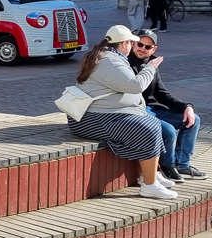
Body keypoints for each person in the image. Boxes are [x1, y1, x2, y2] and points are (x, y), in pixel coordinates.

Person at [68, 25, 174, 199]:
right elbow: (135, 85)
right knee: (147, 128)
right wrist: (151, 67)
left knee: (151, 124)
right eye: (133, 43)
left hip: (104, 116)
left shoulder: (111, 57)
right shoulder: (108, 61)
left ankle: (148, 176)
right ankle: (149, 185)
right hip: (91, 120)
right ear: (125, 43)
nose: (134, 47)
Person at [128, 29, 207, 181]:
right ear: (132, 43)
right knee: (168, 130)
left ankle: (182, 165)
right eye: (140, 44)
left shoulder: (151, 64)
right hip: (137, 110)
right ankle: (167, 166)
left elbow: (162, 94)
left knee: (193, 120)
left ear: (154, 49)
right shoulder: (125, 63)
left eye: (147, 47)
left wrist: (187, 106)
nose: (142, 49)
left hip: (153, 109)